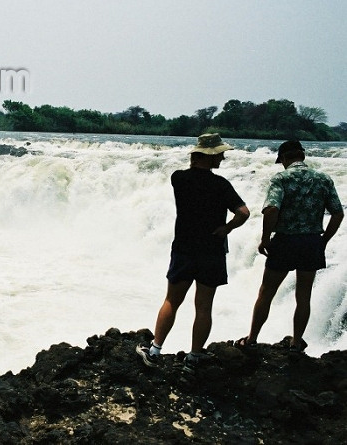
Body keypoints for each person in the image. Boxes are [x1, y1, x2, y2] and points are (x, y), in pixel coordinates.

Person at [136, 133, 250, 375]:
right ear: (208, 156)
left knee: (172, 301)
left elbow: (190, 175)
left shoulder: (179, 179)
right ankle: (194, 357)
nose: (222, 158)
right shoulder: (221, 185)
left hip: (185, 248)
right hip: (212, 250)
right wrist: (226, 228)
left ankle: (155, 351)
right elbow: (243, 212)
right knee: (204, 307)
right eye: (219, 154)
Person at [235, 140, 343, 352]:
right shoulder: (323, 179)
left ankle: (251, 339)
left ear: (284, 158)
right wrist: (323, 241)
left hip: (285, 241)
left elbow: (272, 209)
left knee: (266, 293)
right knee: (303, 296)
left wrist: (266, 238)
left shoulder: (281, 178)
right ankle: (296, 342)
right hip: (311, 242)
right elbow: (338, 213)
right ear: (302, 156)